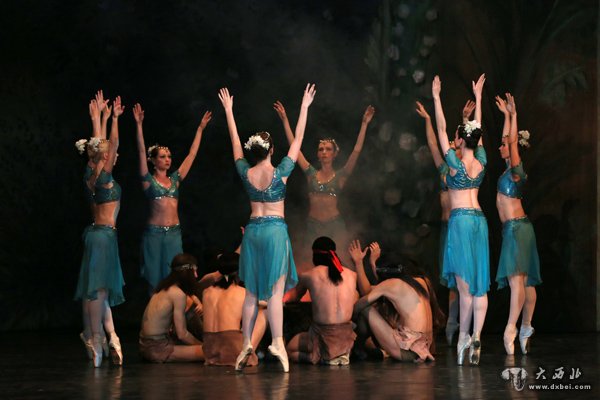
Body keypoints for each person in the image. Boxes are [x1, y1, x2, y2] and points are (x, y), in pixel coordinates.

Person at [218, 84, 316, 372]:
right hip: (274, 232)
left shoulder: (245, 172)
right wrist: (304, 107)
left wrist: (229, 112)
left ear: (254, 151)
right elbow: (298, 139)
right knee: (274, 292)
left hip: (252, 232)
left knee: (251, 292)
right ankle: (277, 342)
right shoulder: (281, 172)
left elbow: (234, 144)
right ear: (271, 150)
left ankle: (246, 342)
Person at [432, 74, 489, 365]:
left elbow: (441, 129)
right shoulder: (481, 161)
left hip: (461, 222)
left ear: (460, 140)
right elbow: (477, 130)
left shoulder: (454, 164)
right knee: (480, 285)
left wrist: (436, 97)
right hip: (480, 221)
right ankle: (477, 335)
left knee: (465, 288)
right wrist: (478, 97)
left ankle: (464, 337)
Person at [273, 101, 375, 260]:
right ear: (318, 154)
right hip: (313, 225)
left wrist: (364, 124)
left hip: (335, 225)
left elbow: (356, 150)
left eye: (328, 149)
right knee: (310, 262)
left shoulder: (341, 176)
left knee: (340, 262)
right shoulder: (311, 173)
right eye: (321, 149)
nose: (324, 152)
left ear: (335, 154)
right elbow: (295, 147)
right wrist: (285, 120)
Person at [133, 103, 212, 292]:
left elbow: (192, 155)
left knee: (177, 278)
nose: (167, 159)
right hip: (154, 235)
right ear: (153, 161)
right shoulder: (148, 181)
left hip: (174, 235)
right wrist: (139, 125)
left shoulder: (175, 180)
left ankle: (174, 310)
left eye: (168, 156)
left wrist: (200, 129)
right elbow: (142, 151)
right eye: (162, 156)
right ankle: (155, 310)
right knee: (154, 279)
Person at [415, 99, 475, 345]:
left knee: (465, 278)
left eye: (454, 139)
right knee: (452, 280)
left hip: (462, 227)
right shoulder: (444, 168)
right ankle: (452, 323)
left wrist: (465, 119)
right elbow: (432, 144)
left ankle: (468, 327)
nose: (450, 142)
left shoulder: (467, 165)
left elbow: (471, 139)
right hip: (446, 228)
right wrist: (429, 119)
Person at [74, 96, 126, 367]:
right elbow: (111, 144)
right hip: (103, 236)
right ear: (106, 157)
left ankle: (103, 338)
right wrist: (114, 119)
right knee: (98, 291)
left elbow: (99, 146)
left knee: (97, 289)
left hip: (98, 234)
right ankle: (97, 339)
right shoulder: (104, 177)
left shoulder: (90, 173)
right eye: (111, 154)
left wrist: (98, 119)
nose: (115, 154)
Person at [494, 93, 542, 355]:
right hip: (516, 229)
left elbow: (510, 142)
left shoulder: (516, 170)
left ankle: (511, 328)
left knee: (518, 281)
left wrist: (514, 115)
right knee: (526, 282)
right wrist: (507, 116)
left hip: (517, 229)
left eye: (504, 145)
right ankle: (525, 327)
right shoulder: (508, 169)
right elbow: (508, 139)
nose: (500, 146)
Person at [349, 240, 444, 362]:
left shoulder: (391, 285)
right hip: (425, 348)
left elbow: (362, 301)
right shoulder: (422, 281)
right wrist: (374, 264)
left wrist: (358, 263)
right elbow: (379, 288)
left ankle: (356, 348)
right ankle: (363, 349)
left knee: (365, 309)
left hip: (407, 353)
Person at [285, 236, 358, 365]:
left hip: (323, 335)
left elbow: (293, 298)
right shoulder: (352, 274)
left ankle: (320, 357)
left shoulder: (308, 275)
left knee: (290, 349)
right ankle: (339, 354)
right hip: (345, 337)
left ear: (315, 256)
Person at [201, 251, 268, 366]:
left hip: (210, 352)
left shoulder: (206, 292)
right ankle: (247, 354)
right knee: (264, 312)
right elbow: (266, 304)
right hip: (233, 352)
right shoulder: (243, 293)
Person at [139, 253, 205, 363]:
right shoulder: (177, 294)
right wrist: (203, 346)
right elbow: (182, 334)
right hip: (157, 348)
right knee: (211, 352)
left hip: (146, 345)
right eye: (194, 271)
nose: (196, 275)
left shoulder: (163, 288)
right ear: (187, 273)